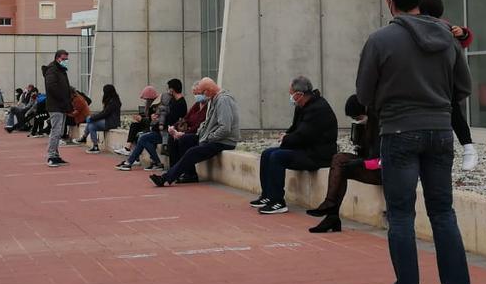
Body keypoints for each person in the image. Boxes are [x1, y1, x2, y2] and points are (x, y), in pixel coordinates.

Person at [357, 0, 472, 284]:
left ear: (389, 0)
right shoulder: (449, 38)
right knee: (443, 213)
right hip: (440, 133)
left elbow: (364, 95)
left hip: (399, 133)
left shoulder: (380, 40)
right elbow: (462, 88)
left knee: (402, 216)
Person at [250, 76, 338, 214]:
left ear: (300, 94)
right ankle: (267, 196)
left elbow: (304, 135)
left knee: (277, 157)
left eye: (291, 94)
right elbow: (295, 129)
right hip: (304, 148)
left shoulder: (318, 109)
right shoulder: (302, 106)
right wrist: (285, 136)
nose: (290, 97)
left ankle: (278, 202)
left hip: (317, 155)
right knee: (267, 154)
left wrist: (287, 139)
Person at [305, 95, 383, 234]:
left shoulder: (379, 125)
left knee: (342, 166)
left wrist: (361, 163)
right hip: (369, 164)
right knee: (338, 160)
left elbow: (380, 160)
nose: (358, 121)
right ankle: (331, 212)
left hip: (382, 170)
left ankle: (330, 210)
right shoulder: (366, 127)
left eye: (358, 118)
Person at [419, 0, 478, 171]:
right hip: (425, 80)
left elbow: (464, 41)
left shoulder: (446, 28)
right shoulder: (415, 26)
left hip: (443, 81)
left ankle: (468, 148)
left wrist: (462, 33)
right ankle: (466, 148)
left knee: (454, 114)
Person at [150, 78, 238, 187]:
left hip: (223, 141)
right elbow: (206, 123)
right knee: (183, 140)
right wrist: (189, 134)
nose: (201, 96)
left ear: (208, 90)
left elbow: (225, 128)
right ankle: (189, 174)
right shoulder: (214, 100)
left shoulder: (223, 100)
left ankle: (166, 178)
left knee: (192, 152)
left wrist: (208, 138)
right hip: (211, 137)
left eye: (201, 93)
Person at [118, 79, 186, 171]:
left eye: (168, 88)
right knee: (143, 138)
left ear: (172, 90)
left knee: (143, 138)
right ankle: (133, 162)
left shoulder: (180, 104)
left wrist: (158, 120)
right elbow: (165, 115)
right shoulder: (173, 101)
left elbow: (171, 120)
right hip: (162, 131)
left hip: (168, 133)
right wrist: (154, 117)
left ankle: (133, 162)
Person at [167, 85, 208, 177]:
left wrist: (183, 133)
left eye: (198, 93)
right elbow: (186, 118)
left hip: (199, 134)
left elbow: (200, 125)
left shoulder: (208, 107)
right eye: (194, 93)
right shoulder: (197, 105)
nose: (196, 95)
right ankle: (174, 170)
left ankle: (189, 173)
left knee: (184, 139)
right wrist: (174, 127)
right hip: (189, 132)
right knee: (172, 139)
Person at [43, 50, 73, 167]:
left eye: (67, 59)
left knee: (59, 131)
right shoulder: (52, 70)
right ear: (58, 58)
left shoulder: (60, 70)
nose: (66, 61)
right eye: (64, 59)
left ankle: (55, 154)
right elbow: (52, 87)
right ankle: (51, 156)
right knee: (56, 131)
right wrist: (63, 98)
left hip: (61, 105)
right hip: (56, 105)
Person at [113, 86, 161, 157]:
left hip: (153, 128)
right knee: (134, 125)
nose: (145, 101)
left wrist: (142, 119)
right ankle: (128, 149)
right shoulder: (149, 105)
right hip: (148, 125)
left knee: (139, 135)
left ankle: (133, 155)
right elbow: (147, 117)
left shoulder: (157, 106)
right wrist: (140, 118)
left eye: (146, 99)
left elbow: (152, 120)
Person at [81, 84, 121, 153]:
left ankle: (85, 137)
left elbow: (105, 113)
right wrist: (94, 117)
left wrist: (93, 117)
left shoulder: (113, 102)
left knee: (90, 121)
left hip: (111, 122)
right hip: (108, 121)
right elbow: (104, 112)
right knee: (91, 126)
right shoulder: (113, 100)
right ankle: (95, 146)